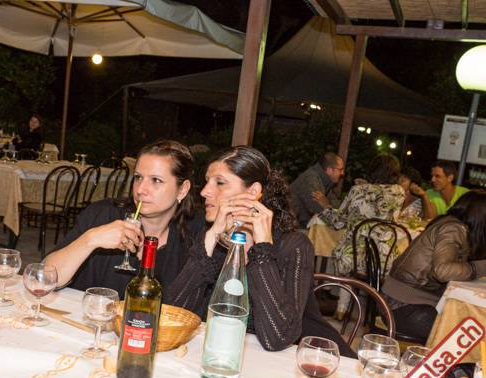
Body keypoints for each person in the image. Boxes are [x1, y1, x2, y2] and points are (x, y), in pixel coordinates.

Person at [165, 146, 356, 357]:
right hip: (228, 355)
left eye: (219, 182)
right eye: (207, 181)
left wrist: (262, 249)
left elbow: (277, 338)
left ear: (253, 192)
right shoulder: (211, 240)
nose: (204, 191)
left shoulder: (293, 245)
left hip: (306, 360)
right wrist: (210, 239)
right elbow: (170, 319)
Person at [46, 140, 205, 296]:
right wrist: (90, 239)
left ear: (182, 190)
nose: (140, 189)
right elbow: (46, 278)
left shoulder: (195, 234)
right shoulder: (103, 215)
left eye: (156, 180)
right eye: (138, 177)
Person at [381, 190, 486, 342]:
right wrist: (479, 267)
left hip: (396, 301)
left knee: (470, 328)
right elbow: (443, 271)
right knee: (470, 333)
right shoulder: (454, 228)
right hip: (402, 308)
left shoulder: (448, 223)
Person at [317, 153, 405, 319]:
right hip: (383, 258)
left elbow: (338, 222)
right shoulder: (399, 192)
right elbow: (381, 196)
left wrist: (326, 206)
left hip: (354, 257)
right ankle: (376, 313)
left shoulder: (357, 190)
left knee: (347, 260)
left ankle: (342, 308)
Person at [289, 152, 344, 228]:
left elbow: (338, 207)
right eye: (340, 169)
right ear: (329, 170)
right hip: (292, 229)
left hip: (301, 226)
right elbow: (322, 213)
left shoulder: (324, 181)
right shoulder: (311, 180)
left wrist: (327, 205)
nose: (342, 173)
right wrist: (327, 206)